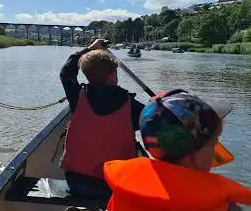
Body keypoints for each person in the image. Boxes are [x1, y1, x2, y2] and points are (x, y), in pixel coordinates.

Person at [104, 89, 251, 211]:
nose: (216, 149)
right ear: (194, 153)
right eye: (214, 142)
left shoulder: (125, 193)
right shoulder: (222, 206)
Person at [59, 39, 145, 201]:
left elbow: (66, 72)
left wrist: (90, 48)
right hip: (115, 185)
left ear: (86, 74)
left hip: (77, 182)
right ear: (113, 75)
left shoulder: (77, 97)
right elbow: (154, 127)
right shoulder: (133, 107)